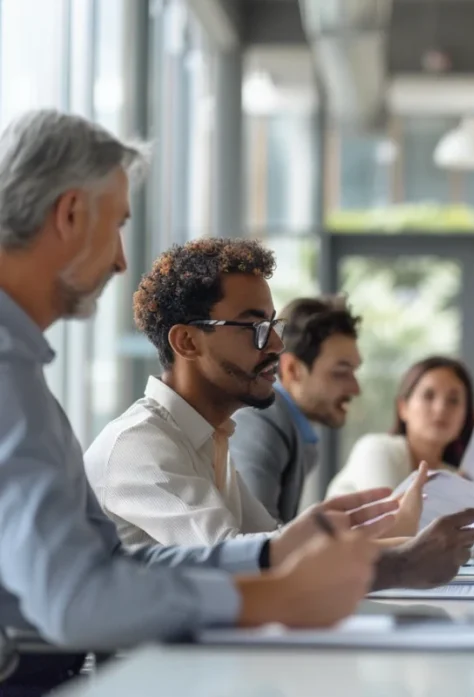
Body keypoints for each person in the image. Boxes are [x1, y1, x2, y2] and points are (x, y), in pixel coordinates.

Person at [0, 109, 398, 692]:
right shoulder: (12, 380)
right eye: (117, 227)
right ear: (71, 214)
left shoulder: (26, 378)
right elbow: (75, 599)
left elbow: (110, 568)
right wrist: (272, 594)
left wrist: (271, 559)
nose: (118, 259)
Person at [83, 239, 474, 585]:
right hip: (144, 668)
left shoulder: (210, 439)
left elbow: (278, 546)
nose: (276, 345)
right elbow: (234, 560)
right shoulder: (139, 445)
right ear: (187, 341)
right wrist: (402, 559)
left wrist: (399, 542)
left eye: (274, 326)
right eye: (255, 328)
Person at [230, 295, 362, 522]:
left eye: (354, 371)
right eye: (341, 372)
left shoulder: (290, 430)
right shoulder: (260, 426)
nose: (355, 388)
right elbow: (256, 540)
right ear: (292, 369)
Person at [327, 356, 474, 496]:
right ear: (403, 408)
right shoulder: (378, 449)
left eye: (453, 400)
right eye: (428, 396)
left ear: (465, 416)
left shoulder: (456, 478)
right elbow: (388, 520)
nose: (441, 408)